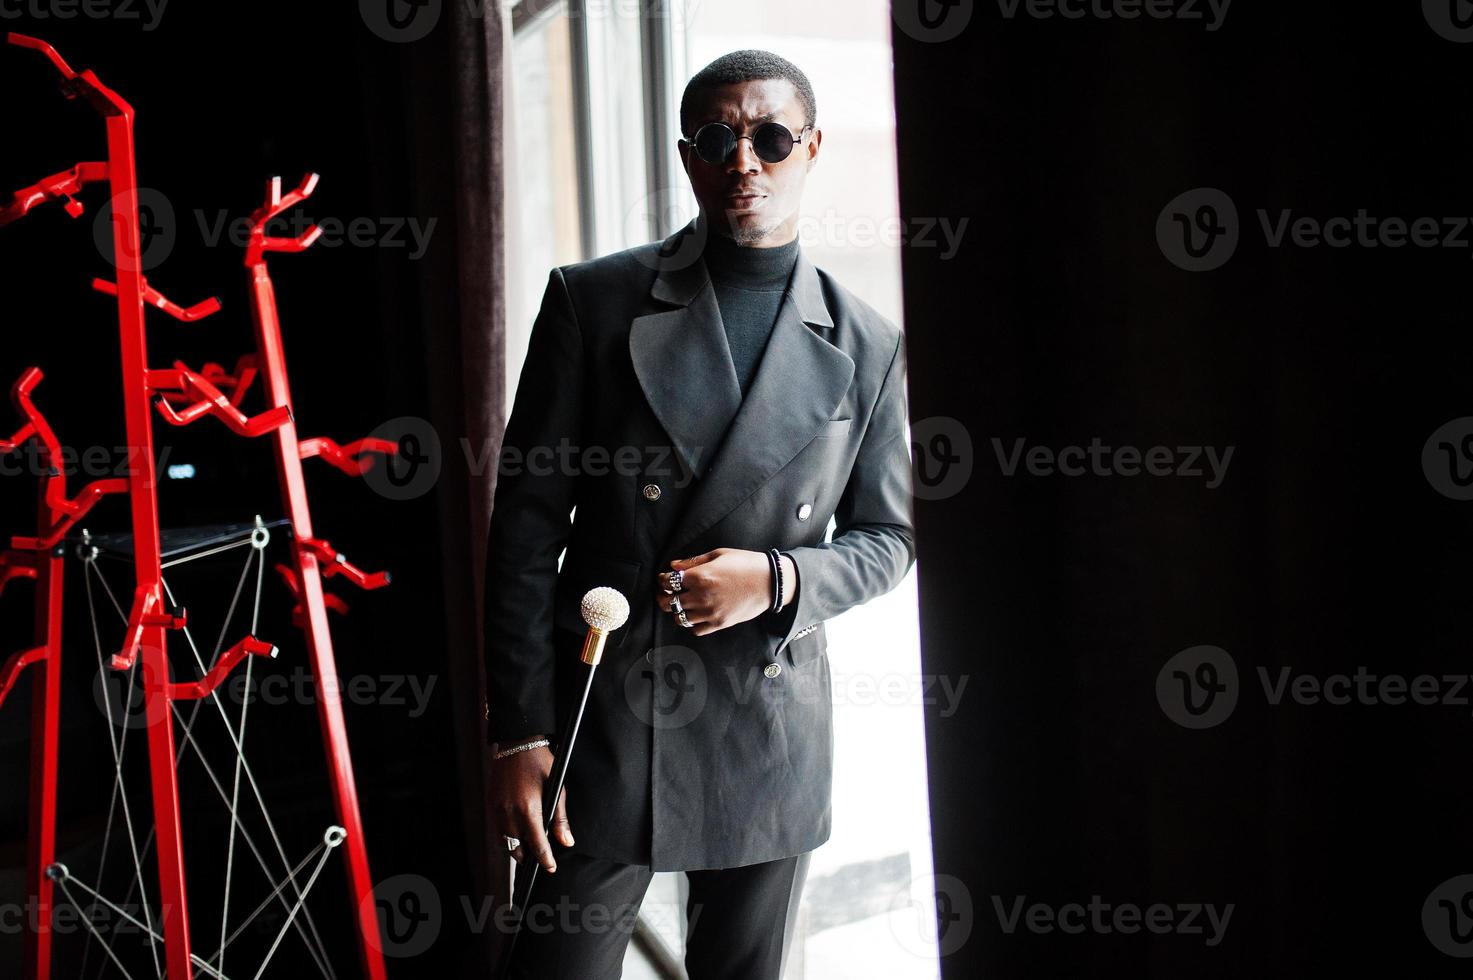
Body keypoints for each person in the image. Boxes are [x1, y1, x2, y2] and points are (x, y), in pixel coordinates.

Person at [483, 48, 915, 979]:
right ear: (688, 156)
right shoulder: (591, 303)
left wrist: (778, 579)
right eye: (718, 138)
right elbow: (522, 533)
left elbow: (890, 539)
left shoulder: (867, 343)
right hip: (600, 711)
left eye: (768, 137)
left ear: (809, 148)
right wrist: (517, 731)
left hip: (764, 726)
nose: (744, 161)